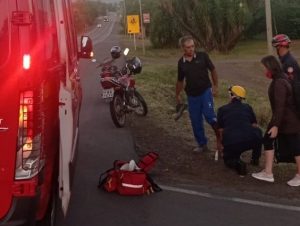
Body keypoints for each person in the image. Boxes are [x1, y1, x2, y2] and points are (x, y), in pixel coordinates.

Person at [252, 55, 300, 187]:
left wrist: (275, 126)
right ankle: (268, 172)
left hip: (288, 121)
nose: (264, 71)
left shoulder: (279, 82)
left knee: (295, 147)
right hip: (287, 120)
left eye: (265, 67)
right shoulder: (281, 78)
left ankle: (271, 173)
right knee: (273, 141)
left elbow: (280, 106)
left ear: (271, 67)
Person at [175, 35, 221, 152]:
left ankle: (221, 139)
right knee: (195, 120)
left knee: (210, 116)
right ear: (183, 48)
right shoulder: (181, 63)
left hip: (205, 91)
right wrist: (177, 94)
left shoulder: (203, 56)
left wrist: (215, 86)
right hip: (191, 95)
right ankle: (202, 144)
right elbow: (180, 80)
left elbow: (213, 70)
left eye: (192, 46)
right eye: (188, 47)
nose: (191, 49)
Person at [217, 85, 262, 176]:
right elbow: (254, 125)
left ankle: (238, 164)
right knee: (258, 132)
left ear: (232, 95)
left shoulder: (222, 110)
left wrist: (221, 147)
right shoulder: (247, 107)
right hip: (250, 140)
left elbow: (220, 131)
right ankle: (255, 159)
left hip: (233, 141)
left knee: (228, 160)